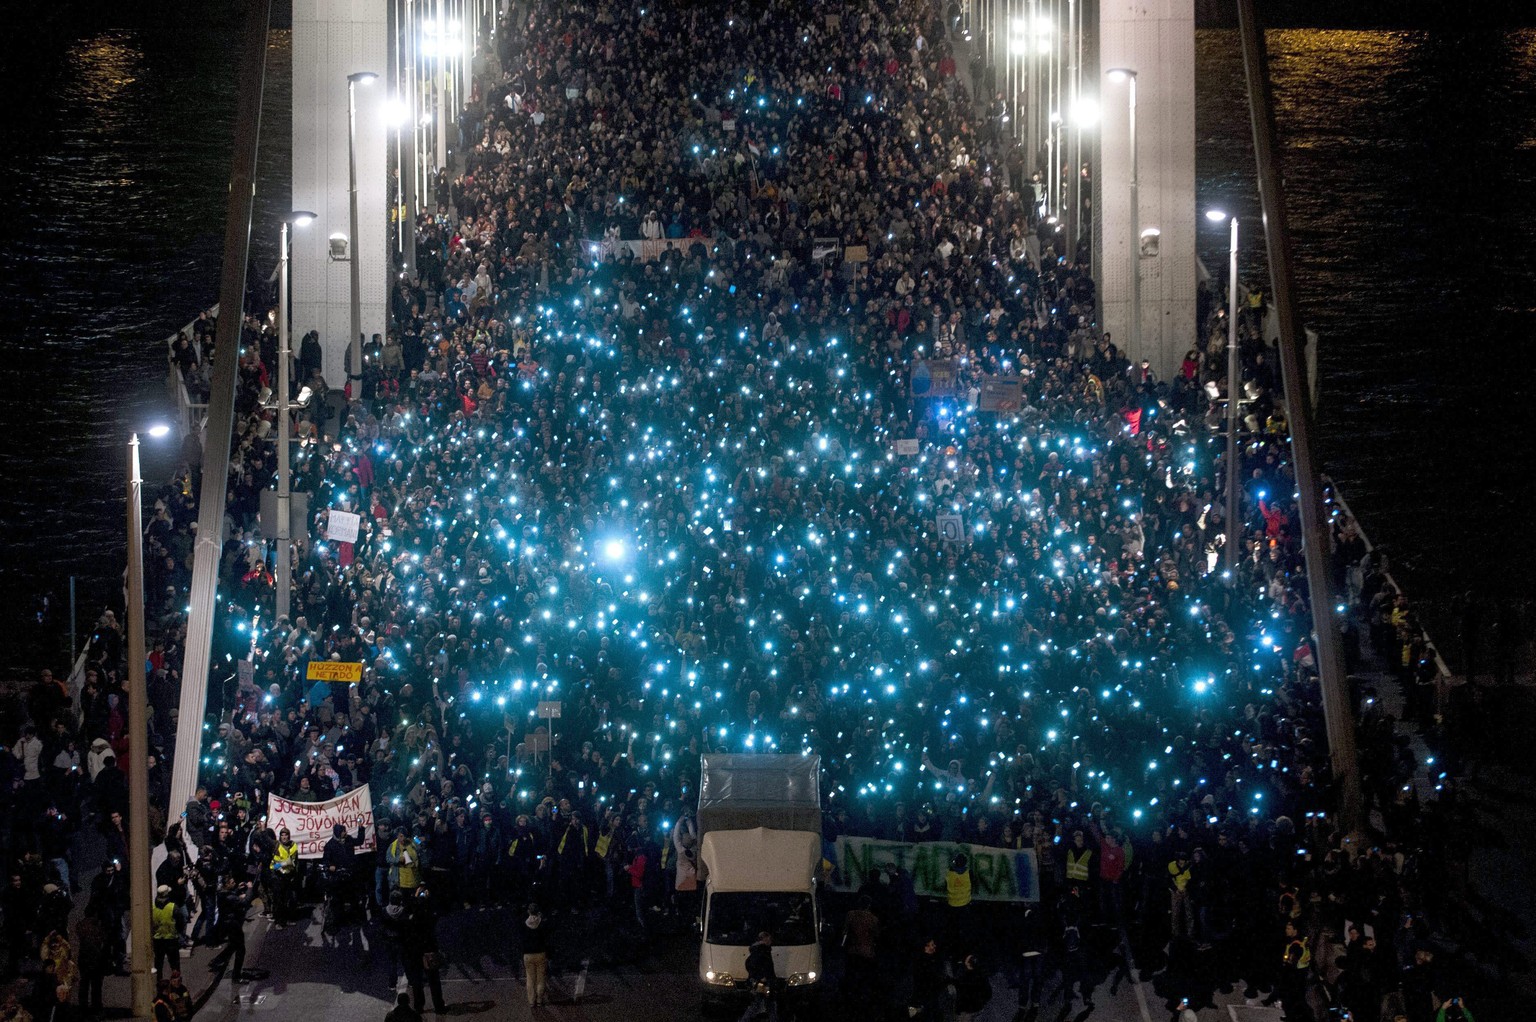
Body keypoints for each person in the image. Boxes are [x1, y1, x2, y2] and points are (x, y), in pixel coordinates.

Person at [521, 903, 549, 1008]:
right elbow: (546, 938)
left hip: (528, 954)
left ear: (528, 911)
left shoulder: (524, 924)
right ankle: (539, 1000)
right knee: (541, 978)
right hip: (540, 953)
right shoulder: (542, 923)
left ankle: (531, 1001)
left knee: (530, 978)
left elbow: (522, 940)